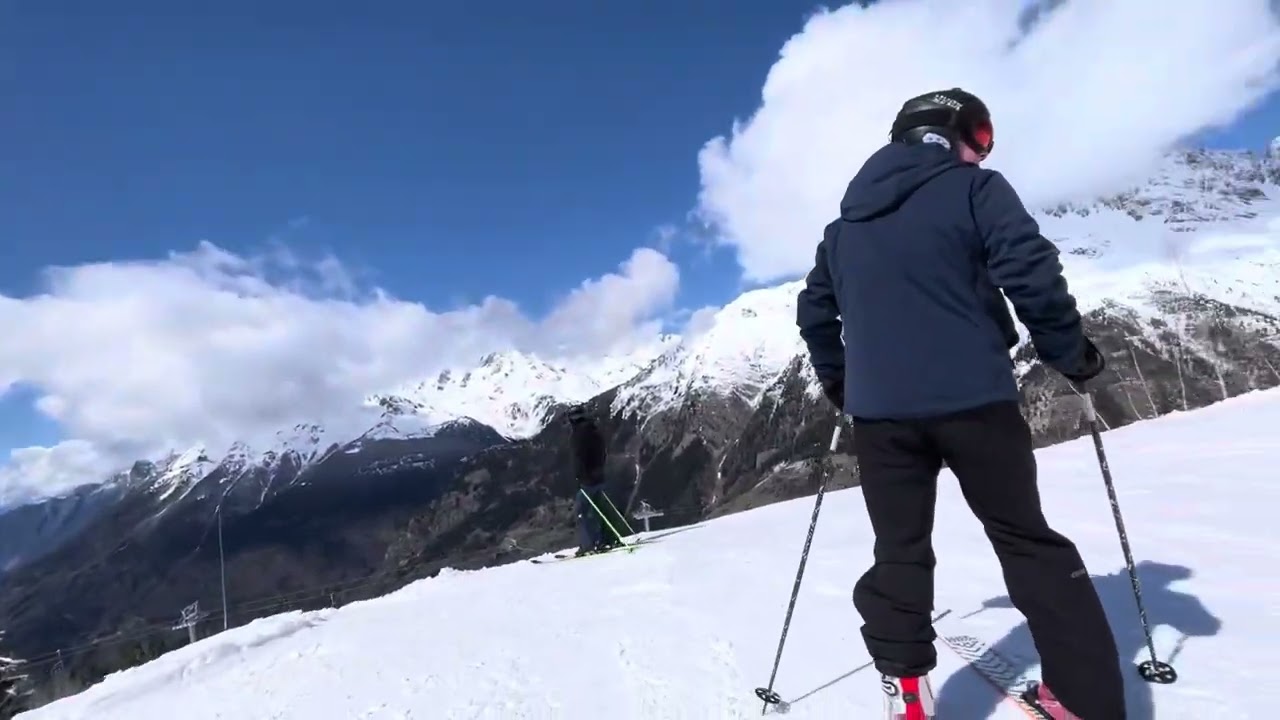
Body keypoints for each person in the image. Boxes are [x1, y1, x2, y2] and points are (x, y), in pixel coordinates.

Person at [795, 88, 1122, 720]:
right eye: (980, 134)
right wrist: (1069, 354)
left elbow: (814, 315)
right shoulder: (977, 189)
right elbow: (1029, 271)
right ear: (949, 135)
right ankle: (1084, 701)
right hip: (976, 403)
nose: (982, 149)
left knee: (900, 551)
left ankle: (907, 696)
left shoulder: (842, 229)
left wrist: (843, 383)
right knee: (1026, 541)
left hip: (882, 421)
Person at [565, 405, 621, 556]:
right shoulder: (594, 430)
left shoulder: (578, 434)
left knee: (582, 511)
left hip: (587, 479)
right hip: (599, 476)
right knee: (600, 508)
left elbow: (578, 457)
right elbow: (602, 453)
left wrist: (580, 477)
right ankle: (609, 539)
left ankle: (591, 544)